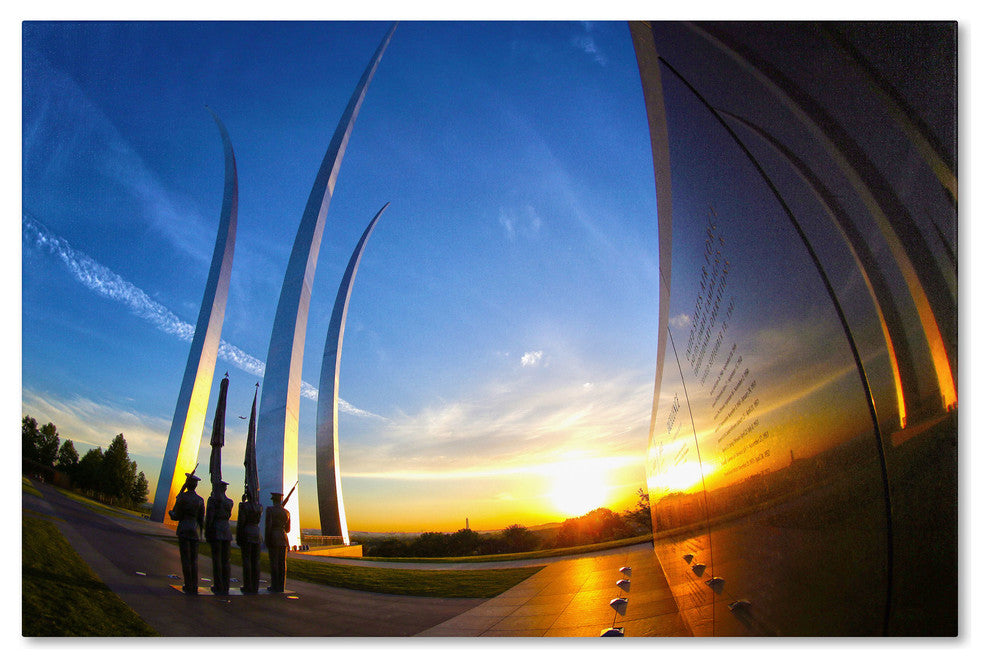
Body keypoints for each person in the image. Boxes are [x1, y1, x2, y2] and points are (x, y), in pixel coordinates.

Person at [168, 472, 205, 594]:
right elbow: (201, 519)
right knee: (194, 559)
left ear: (187, 484)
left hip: (184, 528)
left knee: (185, 558)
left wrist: (171, 513)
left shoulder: (183, 497)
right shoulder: (200, 500)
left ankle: (188, 584)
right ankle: (194, 585)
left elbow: (176, 516)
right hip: (194, 530)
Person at [205, 480, 233, 594]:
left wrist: (207, 532)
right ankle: (225, 586)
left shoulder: (213, 501)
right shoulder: (230, 502)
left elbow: (210, 518)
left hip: (216, 530)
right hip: (227, 532)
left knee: (217, 560)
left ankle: (218, 585)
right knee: (226, 561)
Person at [236, 491, 263, 594]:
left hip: (247, 533)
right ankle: (255, 586)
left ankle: (247, 586)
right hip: (257, 533)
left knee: (247, 560)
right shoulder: (260, 506)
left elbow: (241, 522)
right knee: (256, 561)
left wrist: (243, 502)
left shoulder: (244, 506)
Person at [264, 491, 290, 592]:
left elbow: (268, 526)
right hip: (283, 538)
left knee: (274, 563)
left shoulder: (270, 510)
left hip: (274, 537)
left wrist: (267, 539)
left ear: (273, 500)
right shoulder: (286, 512)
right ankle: (281, 586)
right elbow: (287, 529)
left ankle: (274, 586)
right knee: (282, 564)